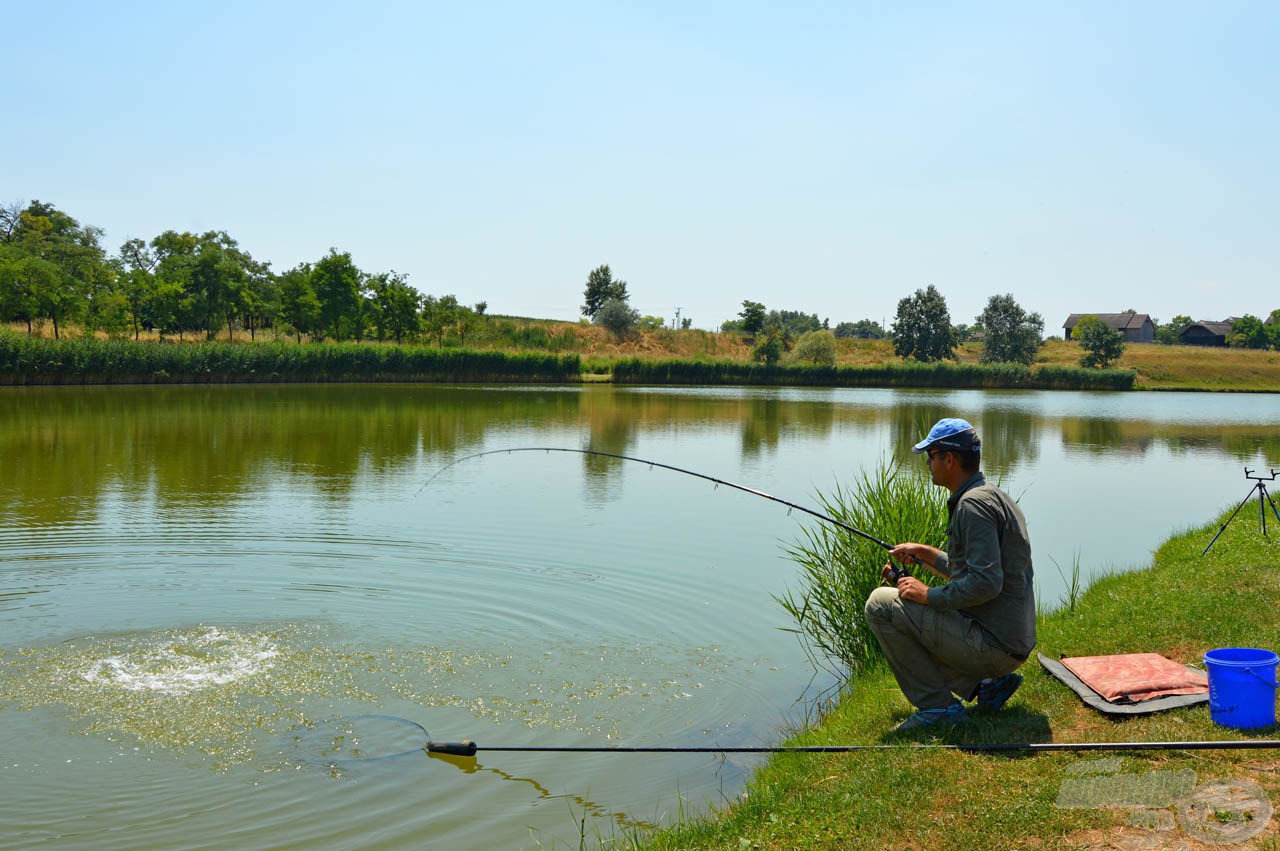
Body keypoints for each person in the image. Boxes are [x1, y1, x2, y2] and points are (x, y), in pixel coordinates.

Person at [864, 417, 1035, 731]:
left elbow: (985, 582)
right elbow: (974, 573)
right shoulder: (992, 495)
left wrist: (928, 596)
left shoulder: (973, 507)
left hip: (995, 646)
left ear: (949, 459)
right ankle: (985, 687)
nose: (928, 463)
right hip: (1010, 641)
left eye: (931, 456)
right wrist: (926, 554)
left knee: (880, 605)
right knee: (903, 606)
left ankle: (938, 708)